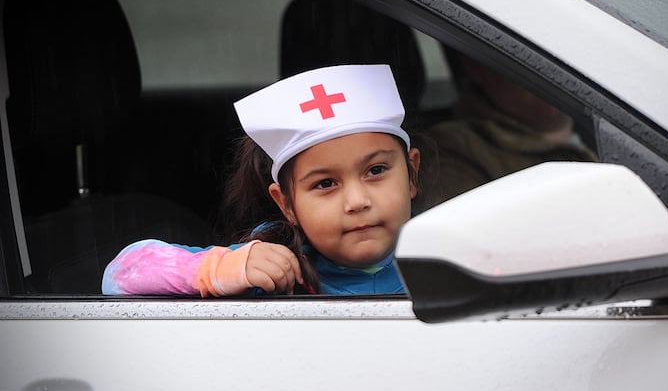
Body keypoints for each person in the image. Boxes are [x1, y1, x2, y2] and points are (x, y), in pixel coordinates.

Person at [102, 64, 421, 296]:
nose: (357, 201)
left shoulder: (448, 256)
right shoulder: (271, 273)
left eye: (376, 170)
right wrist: (219, 269)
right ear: (287, 204)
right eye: (325, 184)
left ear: (411, 173)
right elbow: (121, 274)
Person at [418, 49, 598, 208]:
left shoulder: (606, 121)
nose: (552, 67)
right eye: (528, 53)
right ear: (475, 66)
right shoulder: (452, 154)